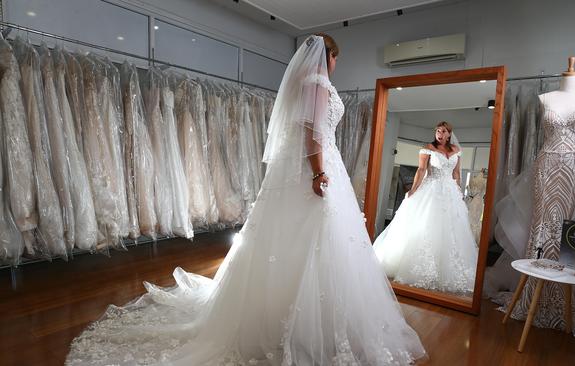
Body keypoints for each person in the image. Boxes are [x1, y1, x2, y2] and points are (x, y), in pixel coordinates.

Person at [66, 34, 425, 366]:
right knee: (315, 239)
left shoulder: (310, 84)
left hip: (318, 165)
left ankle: (309, 321)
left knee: (309, 242)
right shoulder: (317, 85)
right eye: (335, 59)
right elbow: (312, 132)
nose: (334, 65)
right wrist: (318, 173)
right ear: (329, 56)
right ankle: (298, 325)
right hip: (315, 169)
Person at [373, 122, 478, 295]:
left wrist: (458, 191)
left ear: (449, 134)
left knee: (450, 231)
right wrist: (413, 191)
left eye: (443, 131)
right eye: (437, 131)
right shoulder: (428, 148)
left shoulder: (456, 151)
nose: (439, 134)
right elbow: (421, 170)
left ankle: (445, 270)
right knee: (427, 225)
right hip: (432, 189)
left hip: (450, 192)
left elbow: (457, 173)